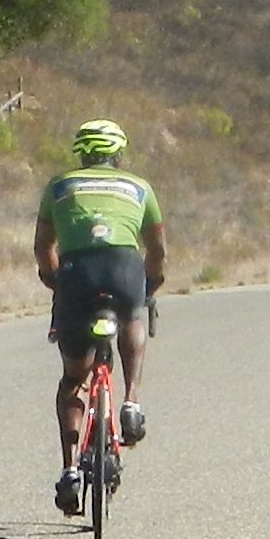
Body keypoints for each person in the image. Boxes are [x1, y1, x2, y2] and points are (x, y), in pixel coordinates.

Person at [33, 117, 164, 515]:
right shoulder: (139, 187)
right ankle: (131, 402)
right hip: (124, 269)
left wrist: (54, 280)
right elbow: (157, 248)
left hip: (77, 273)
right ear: (119, 153)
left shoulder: (59, 186)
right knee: (134, 316)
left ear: (81, 153)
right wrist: (152, 283)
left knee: (74, 378)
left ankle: (70, 470)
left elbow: (43, 247)